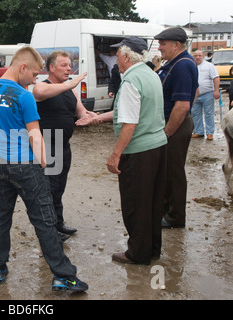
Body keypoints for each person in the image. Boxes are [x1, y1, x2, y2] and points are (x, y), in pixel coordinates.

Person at [0, 47, 88, 292]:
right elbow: (35, 135)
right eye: (35, 74)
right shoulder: (23, 96)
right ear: (22, 67)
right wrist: (42, 163)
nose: (35, 80)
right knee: (45, 219)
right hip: (25, 165)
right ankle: (63, 276)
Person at [77, 37, 167, 265]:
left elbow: (129, 123)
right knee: (153, 201)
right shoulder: (150, 75)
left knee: (135, 203)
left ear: (127, 57)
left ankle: (137, 254)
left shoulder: (130, 82)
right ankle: (152, 249)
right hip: (158, 147)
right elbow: (131, 112)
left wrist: (115, 154)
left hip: (139, 152)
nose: (115, 59)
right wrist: (99, 117)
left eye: (117, 55)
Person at [32, 51, 98, 241]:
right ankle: (49, 232)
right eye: (64, 65)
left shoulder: (71, 90)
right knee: (48, 190)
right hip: (47, 145)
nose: (69, 68)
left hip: (64, 146)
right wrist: (68, 84)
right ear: (51, 68)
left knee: (59, 188)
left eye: (70, 65)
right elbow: (39, 93)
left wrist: (94, 116)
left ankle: (58, 224)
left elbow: (81, 112)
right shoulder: (41, 86)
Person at [154, 27, 199, 229]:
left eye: (163, 43)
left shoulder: (182, 65)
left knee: (173, 172)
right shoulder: (176, 63)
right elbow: (195, 90)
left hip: (175, 125)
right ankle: (165, 211)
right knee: (166, 170)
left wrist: (167, 132)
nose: (159, 47)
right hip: (175, 122)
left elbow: (182, 105)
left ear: (177, 45)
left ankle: (175, 217)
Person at [191, 50, 220, 140]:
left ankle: (209, 132)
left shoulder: (209, 66)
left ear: (203, 56)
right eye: (196, 55)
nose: (198, 57)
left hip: (207, 93)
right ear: (193, 56)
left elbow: (216, 78)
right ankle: (199, 131)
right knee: (195, 113)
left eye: (199, 55)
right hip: (195, 95)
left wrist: (216, 91)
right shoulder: (191, 66)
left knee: (208, 113)